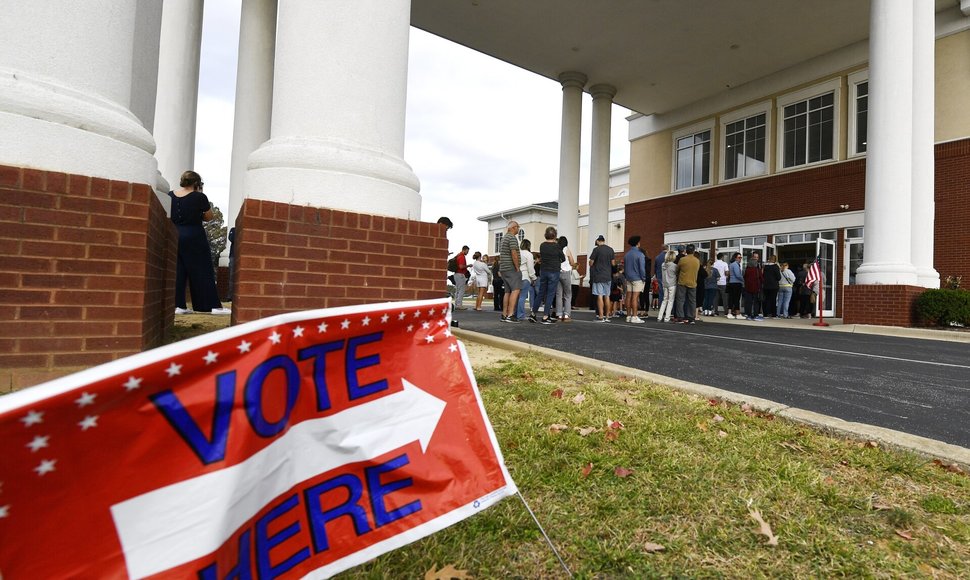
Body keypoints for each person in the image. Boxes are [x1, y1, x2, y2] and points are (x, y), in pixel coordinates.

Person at [169, 171, 229, 315]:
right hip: (194, 235)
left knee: (179, 271)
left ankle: (179, 305)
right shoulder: (199, 196)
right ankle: (210, 306)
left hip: (175, 235)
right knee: (203, 269)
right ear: (196, 183)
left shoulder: (170, 195)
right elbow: (209, 217)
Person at [536, 227, 565, 324]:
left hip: (544, 270)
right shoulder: (557, 246)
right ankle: (545, 316)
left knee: (541, 292)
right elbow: (563, 258)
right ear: (555, 235)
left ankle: (533, 314)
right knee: (550, 294)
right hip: (554, 271)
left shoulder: (542, 245)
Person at [498, 221, 523, 322]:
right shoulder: (512, 238)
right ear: (513, 228)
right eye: (518, 227)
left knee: (507, 291)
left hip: (504, 268)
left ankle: (504, 314)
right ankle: (510, 315)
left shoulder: (504, 238)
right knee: (516, 290)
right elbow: (514, 253)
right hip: (511, 268)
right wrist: (517, 267)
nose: (518, 229)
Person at [587, 234, 615, 322]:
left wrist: (592, 263)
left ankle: (601, 316)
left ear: (598, 241)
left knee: (599, 295)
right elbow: (613, 263)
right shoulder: (610, 250)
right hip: (608, 276)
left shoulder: (596, 249)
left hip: (598, 276)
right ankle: (607, 316)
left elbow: (591, 263)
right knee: (607, 296)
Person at [674, 244, 700, 324]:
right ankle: (691, 318)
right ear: (694, 251)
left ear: (686, 250)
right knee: (692, 301)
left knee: (680, 300)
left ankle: (680, 317)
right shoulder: (697, 260)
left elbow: (677, 270)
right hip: (693, 282)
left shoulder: (682, 259)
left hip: (682, 282)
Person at [623, 235, 647, 323]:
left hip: (628, 278)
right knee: (635, 298)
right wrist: (643, 278)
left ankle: (628, 316)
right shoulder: (640, 254)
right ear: (637, 243)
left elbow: (625, 267)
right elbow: (642, 268)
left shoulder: (627, 255)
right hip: (637, 278)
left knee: (628, 297)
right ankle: (635, 316)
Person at [555, 236, 577, 322]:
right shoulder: (567, 249)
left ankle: (559, 315)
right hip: (566, 273)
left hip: (557, 273)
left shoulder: (556, 249)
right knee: (568, 294)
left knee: (558, 294)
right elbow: (572, 261)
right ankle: (567, 315)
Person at [516, 240, 538, 321]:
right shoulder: (529, 254)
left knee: (516, 297)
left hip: (517, 276)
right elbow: (530, 268)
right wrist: (534, 278)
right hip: (525, 276)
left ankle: (515, 313)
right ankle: (521, 315)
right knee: (522, 297)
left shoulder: (518, 253)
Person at [657, 250, 678, 322]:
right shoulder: (674, 266)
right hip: (672, 284)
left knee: (664, 300)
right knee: (670, 301)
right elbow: (676, 274)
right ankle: (667, 317)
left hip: (664, 284)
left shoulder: (663, 264)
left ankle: (659, 317)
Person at [743, 252, 764, 321]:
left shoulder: (747, 269)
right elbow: (761, 278)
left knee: (748, 302)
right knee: (756, 302)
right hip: (756, 288)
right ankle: (755, 315)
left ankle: (748, 315)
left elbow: (745, 277)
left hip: (748, 287)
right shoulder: (757, 269)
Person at [726, 252, 743, 319]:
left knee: (731, 298)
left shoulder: (731, 264)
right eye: (739, 257)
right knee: (736, 299)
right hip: (736, 283)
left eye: (741, 257)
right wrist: (743, 279)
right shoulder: (736, 264)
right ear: (735, 258)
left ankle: (729, 313)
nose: (740, 259)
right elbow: (738, 275)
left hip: (731, 283)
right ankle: (738, 314)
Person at [453, 245, 470, 310]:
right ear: (464, 250)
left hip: (456, 274)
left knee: (457, 290)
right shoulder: (462, 257)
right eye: (467, 251)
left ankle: (457, 304)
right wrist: (468, 266)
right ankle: (459, 305)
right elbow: (461, 266)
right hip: (460, 274)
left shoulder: (458, 256)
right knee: (461, 290)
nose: (467, 252)